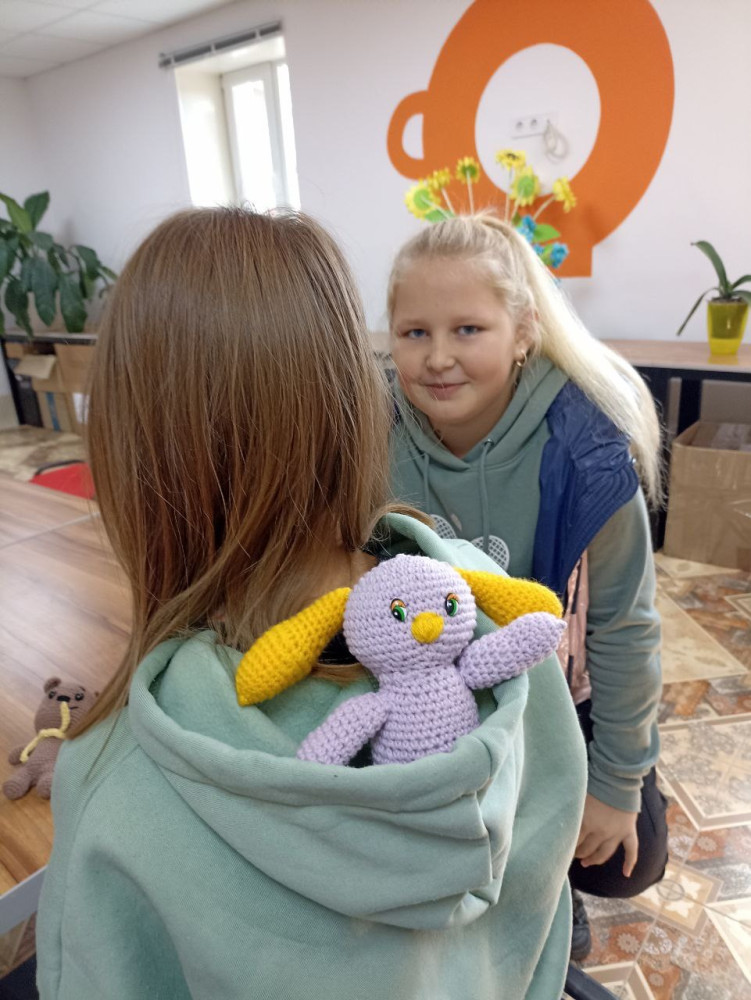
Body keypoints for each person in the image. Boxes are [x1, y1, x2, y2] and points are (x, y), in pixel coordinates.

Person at [36, 207, 587, 1000]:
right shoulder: (489, 612)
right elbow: (542, 896)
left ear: (131, 454)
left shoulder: (111, 777)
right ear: (359, 396)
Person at [387, 214, 668, 961]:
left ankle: (553, 887)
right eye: (414, 332)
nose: (437, 357)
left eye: (467, 330)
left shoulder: (587, 453)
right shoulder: (367, 434)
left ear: (523, 334)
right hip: (429, 692)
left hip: (554, 697)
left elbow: (625, 627)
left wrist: (616, 784)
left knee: (629, 855)